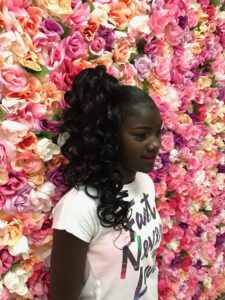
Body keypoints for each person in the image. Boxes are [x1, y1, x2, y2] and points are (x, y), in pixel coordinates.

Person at [50, 65, 163, 300]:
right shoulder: (78, 208)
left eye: (157, 132)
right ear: (111, 137)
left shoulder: (145, 184)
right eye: (141, 135)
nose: (155, 144)